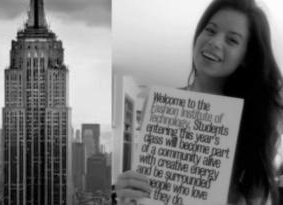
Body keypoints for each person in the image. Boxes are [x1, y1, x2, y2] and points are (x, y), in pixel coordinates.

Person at [115, 0, 283, 204]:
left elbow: (258, 196)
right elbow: (147, 186)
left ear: (246, 57)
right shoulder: (160, 104)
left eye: (232, 40)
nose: (214, 42)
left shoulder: (254, 120)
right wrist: (129, 194)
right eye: (210, 30)